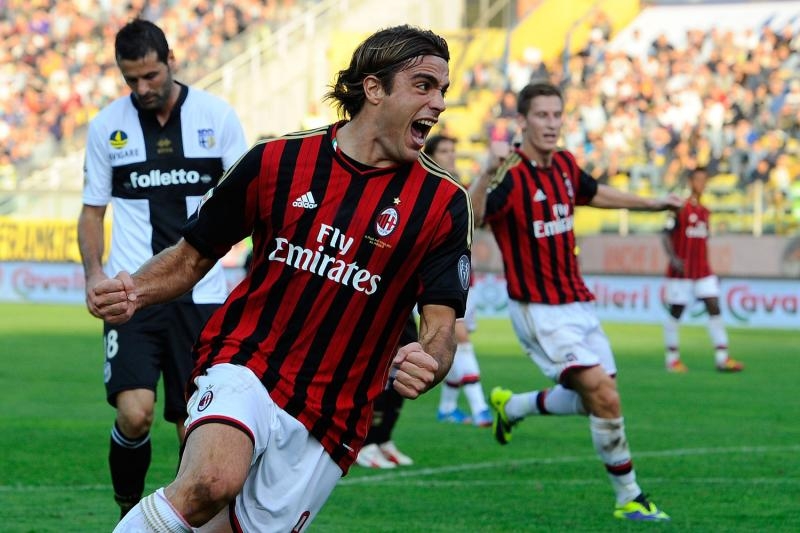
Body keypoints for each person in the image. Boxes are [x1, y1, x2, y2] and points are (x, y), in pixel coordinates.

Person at [89, 25, 472, 532]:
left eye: (442, 89)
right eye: (424, 85)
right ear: (374, 89)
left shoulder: (444, 204)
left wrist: (431, 359)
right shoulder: (277, 161)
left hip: (333, 411)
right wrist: (134, 290)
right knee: (210, 481)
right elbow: (191, 257)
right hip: (247, 360)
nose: (438, 103)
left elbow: (441, 325)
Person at [470, 81, 681, 522]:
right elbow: (475, 217)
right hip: (539, 310)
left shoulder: (565, 164)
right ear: (523, 121)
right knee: (604, 395)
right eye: (541, 116)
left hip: (578, 303)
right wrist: (485, 172)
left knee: (593, 400)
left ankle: (513, 406)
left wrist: (653, 203)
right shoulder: (511, 173)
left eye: (556, 115)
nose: (551, 124)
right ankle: (629, 496)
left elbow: (594, 192)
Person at [77, 19, 248, 520]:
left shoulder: (216, 116)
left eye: (150, 75)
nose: (142, 88)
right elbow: (92, 211)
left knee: (191, 423)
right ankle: (129, 513)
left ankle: (180, 523)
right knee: (135, 413)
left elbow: (247, 198)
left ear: (171, 60)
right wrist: (93, 275)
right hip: (131, 292)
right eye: (131, 79)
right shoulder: (106, 126)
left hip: (203, 295)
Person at [423, 134, 492, 427]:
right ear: (430, 156)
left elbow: (478, 220)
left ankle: (448, 408)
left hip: (464, 278)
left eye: (453, 150)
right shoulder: (425, 188)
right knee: (460, 338)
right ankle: (480, 409)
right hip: (435, 280)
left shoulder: (459, 189)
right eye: (444, 151)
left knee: (454, 341)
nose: (451, 155)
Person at [662, 166, 744, 373]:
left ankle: (722, 357)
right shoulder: (679, 208)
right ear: (690, 181)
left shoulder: (705, 212)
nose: (702, 184)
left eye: (705, 180)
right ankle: (672, 359)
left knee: (714, 305)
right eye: (698, 179)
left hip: (703, 270)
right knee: (677, 311)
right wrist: (674, 258)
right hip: (682, 271)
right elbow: (665, 235)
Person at [355, 315, 418, 469]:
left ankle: (382, 439)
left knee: (405, 356)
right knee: (381, 360)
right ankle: (365, 444)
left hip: (403, 305)